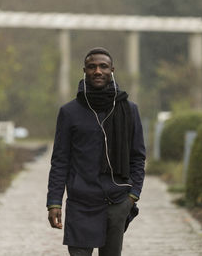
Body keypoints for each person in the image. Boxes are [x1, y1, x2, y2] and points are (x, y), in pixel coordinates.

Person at [47, 47, 146, 256]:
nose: (98, 71)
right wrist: (53, 202)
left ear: (112, 70)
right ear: (85, 71)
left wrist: (131, 197)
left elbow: (137, 157)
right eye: (92, 67)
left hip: (116, 203)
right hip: (80, 204)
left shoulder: (129, 109)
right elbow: (60, 161)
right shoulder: (69, 112)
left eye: (103, 66)